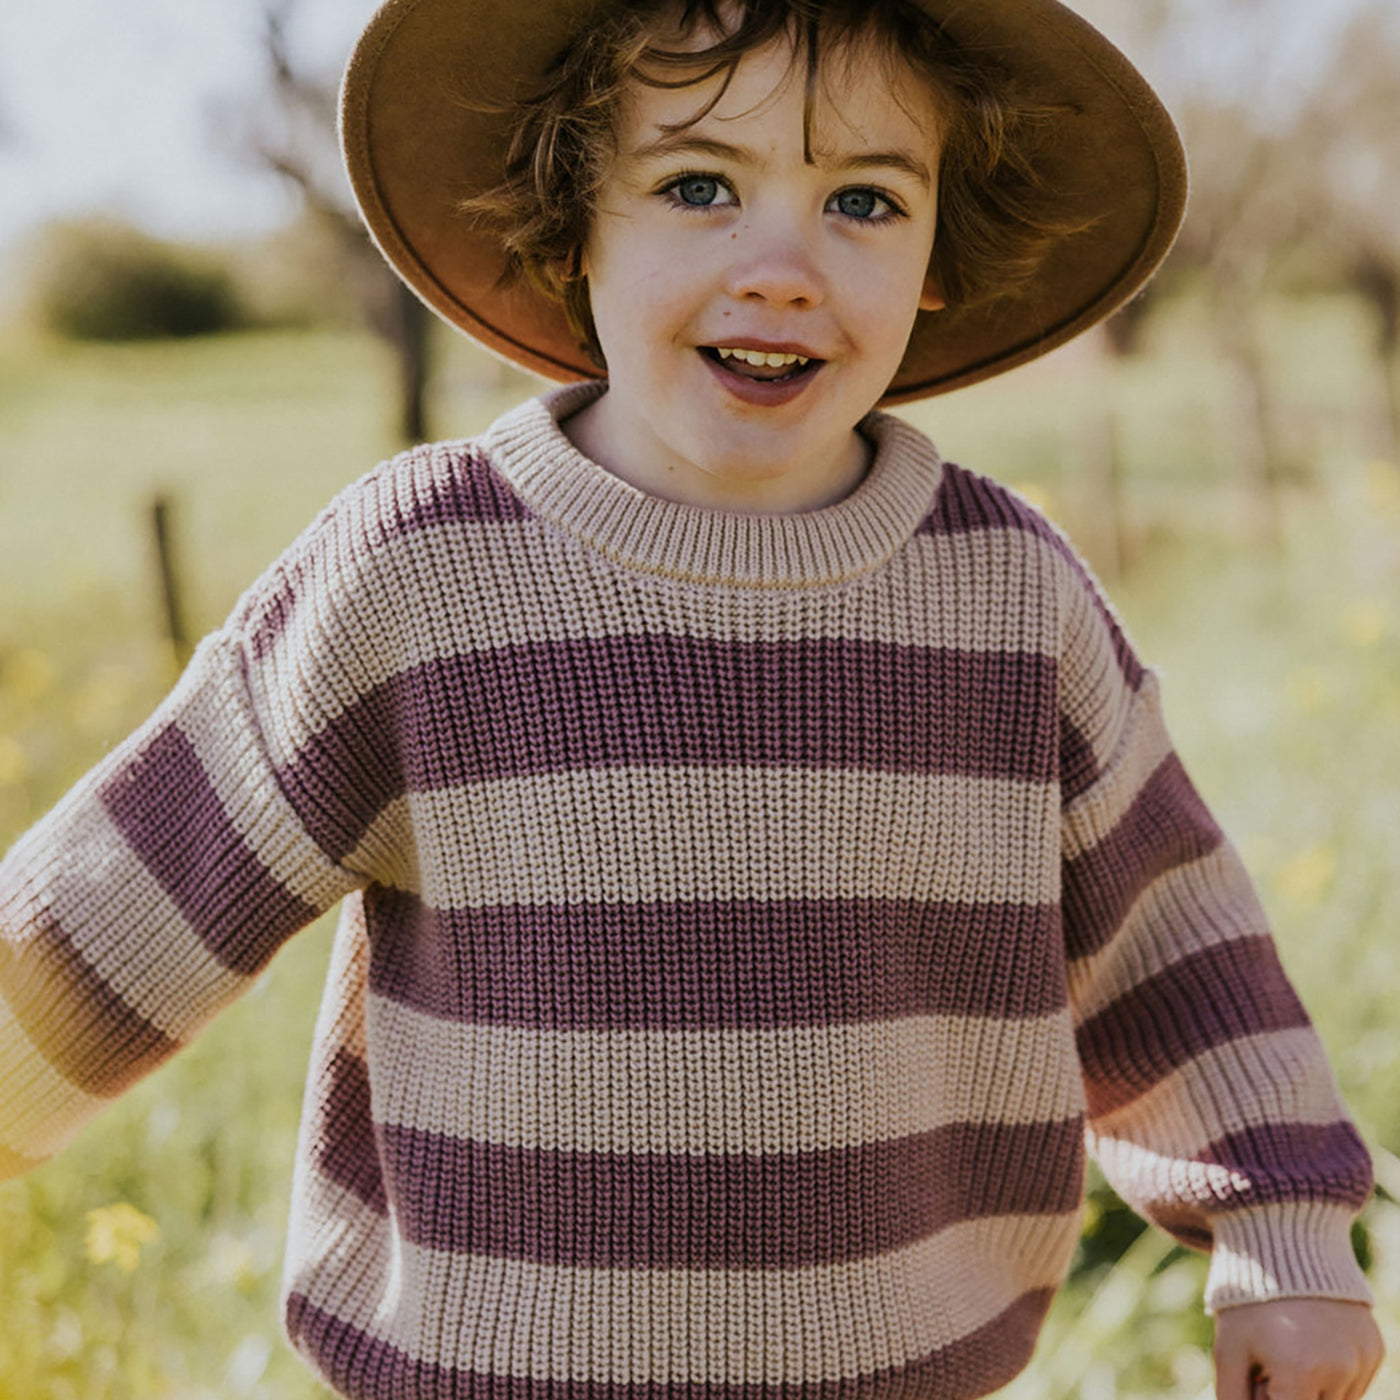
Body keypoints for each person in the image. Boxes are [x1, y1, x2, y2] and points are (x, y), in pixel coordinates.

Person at [0, 0, 1385, 1397]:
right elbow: (137, 888)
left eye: (864, 200)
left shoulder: (1010, 598)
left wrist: (1281, 1228)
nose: (782, 267)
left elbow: (1170, 937)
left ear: (936, 262)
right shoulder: (422, 571)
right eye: (699, 186)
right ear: (571, 223)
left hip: (906, 1369)